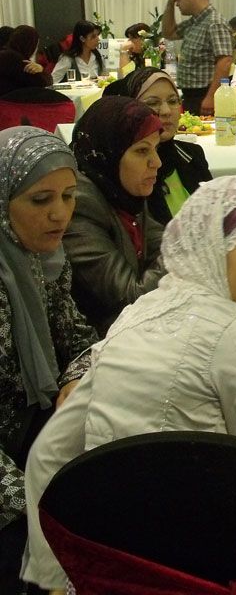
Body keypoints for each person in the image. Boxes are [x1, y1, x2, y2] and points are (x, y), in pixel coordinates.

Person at [21, 175, 236, 592]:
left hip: (108, 557)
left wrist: (57, 578)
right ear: (210, 242)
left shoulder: (141, 311)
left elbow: (49, 452)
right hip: (191, 567)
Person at [0, 127, 94, 593]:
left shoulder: (44, 257)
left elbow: (79, 337)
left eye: (69, 196)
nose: (60, 213)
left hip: (32, 432)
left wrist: (76, 376)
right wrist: (34, 501)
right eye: (41, 200)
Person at [65, 97, 166, 336]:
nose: (157, 162)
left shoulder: (121, 192)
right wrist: (192, 241)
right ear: (109, 151)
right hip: (99, 340)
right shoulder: (78, 204)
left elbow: (162, 243)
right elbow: (132, 297)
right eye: (142, 151)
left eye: (156, 149)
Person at [114, 68, 213, 225]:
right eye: (152, 103)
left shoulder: (192, 155)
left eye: (173, 101)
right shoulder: (123, 165)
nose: (166, 111)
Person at [161, 0, 233, 116]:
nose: (177, 3)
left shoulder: (215, 22)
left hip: (204, 95)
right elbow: (168, 32)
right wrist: (170, 2)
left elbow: (225, 62)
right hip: (191, 96)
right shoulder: (195, 22)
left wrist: (211, 97)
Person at [0, 25, 52, 93]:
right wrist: (41, 70)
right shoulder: (18, 61)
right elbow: (43, 82)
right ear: (30, 45)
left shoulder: (5, 54)